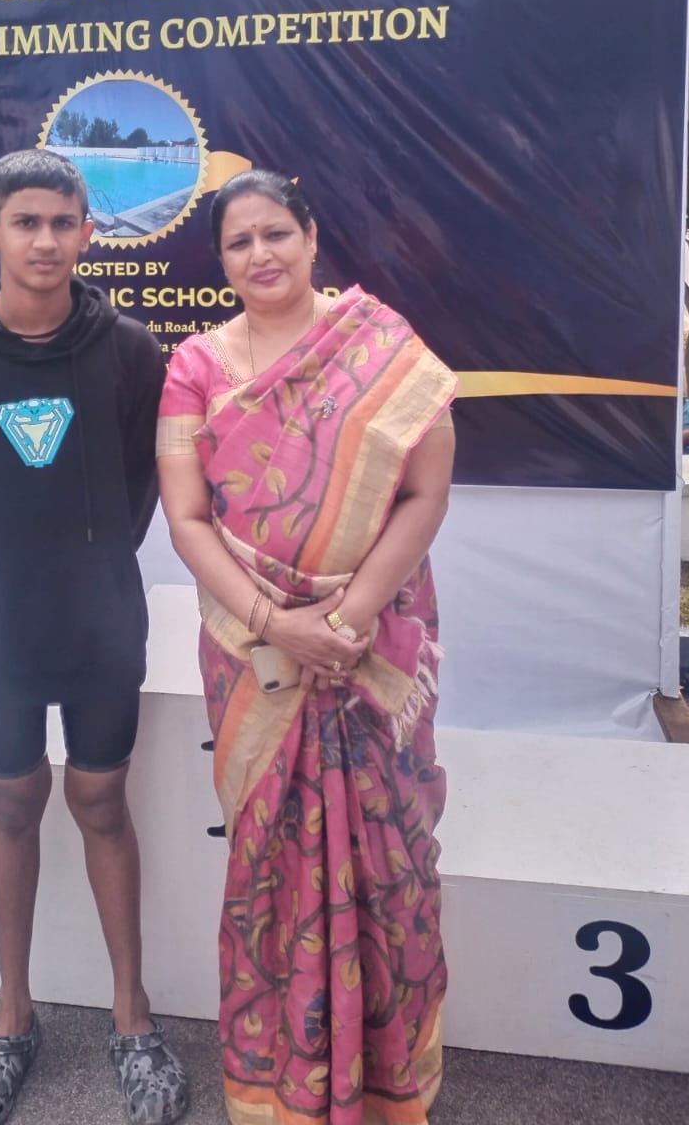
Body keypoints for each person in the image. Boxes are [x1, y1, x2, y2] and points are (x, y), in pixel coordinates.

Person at [156, 169, 456, 1125]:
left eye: (276, 233)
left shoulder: (384, 348)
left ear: (313, 236)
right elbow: (186, 517)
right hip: (257, 656)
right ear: (220, 261)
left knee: (390, 857)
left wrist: (352, 616)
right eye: (239, 243)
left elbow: (426, 492)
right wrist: (277, 623)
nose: (261, 255)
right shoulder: (195, 367)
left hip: (374, 642)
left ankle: (389, 1086)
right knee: (271, 864)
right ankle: (278, 1084)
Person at [0, 148, 188, 1125]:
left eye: (64, 222)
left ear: (89, 233)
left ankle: (133, 1019)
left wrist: (86, 566)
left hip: (100, 621)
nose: (46, 240)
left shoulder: (132, 352)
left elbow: (143, 490)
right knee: (16, 800)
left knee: (101, 802)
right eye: (25, 221)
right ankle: (12, 1019)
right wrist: (1, 572)